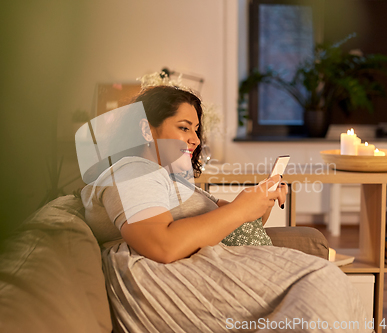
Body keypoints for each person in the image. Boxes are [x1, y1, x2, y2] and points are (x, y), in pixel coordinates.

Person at [81, 85, 368, 332]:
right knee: (323, 282)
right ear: (146, 128)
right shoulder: (133, 171)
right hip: (164, 279)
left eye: (195, 130)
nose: (194, 139)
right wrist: (242, 209)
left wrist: (258, 203)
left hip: (205, 261)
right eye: (183, 128)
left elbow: (231, 223)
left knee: (324, 283)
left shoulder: (168, 178)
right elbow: (161, 244)